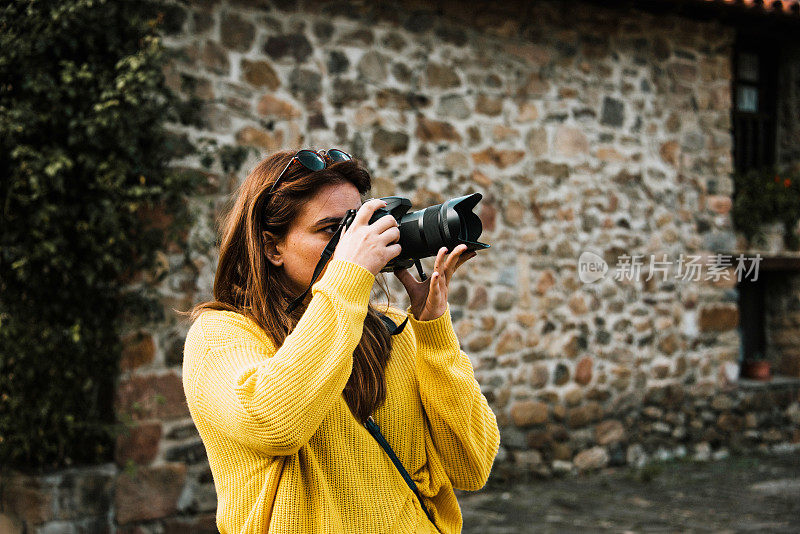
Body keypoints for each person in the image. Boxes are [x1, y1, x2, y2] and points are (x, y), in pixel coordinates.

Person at [183, 148, 501, 534]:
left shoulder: (395, 332)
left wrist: (433, 332)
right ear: (273, 248)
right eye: (333, 229)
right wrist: (348, 277)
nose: (355, 244)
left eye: (359, 226)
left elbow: (472, 465)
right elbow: (273, 424)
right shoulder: (222, 336)